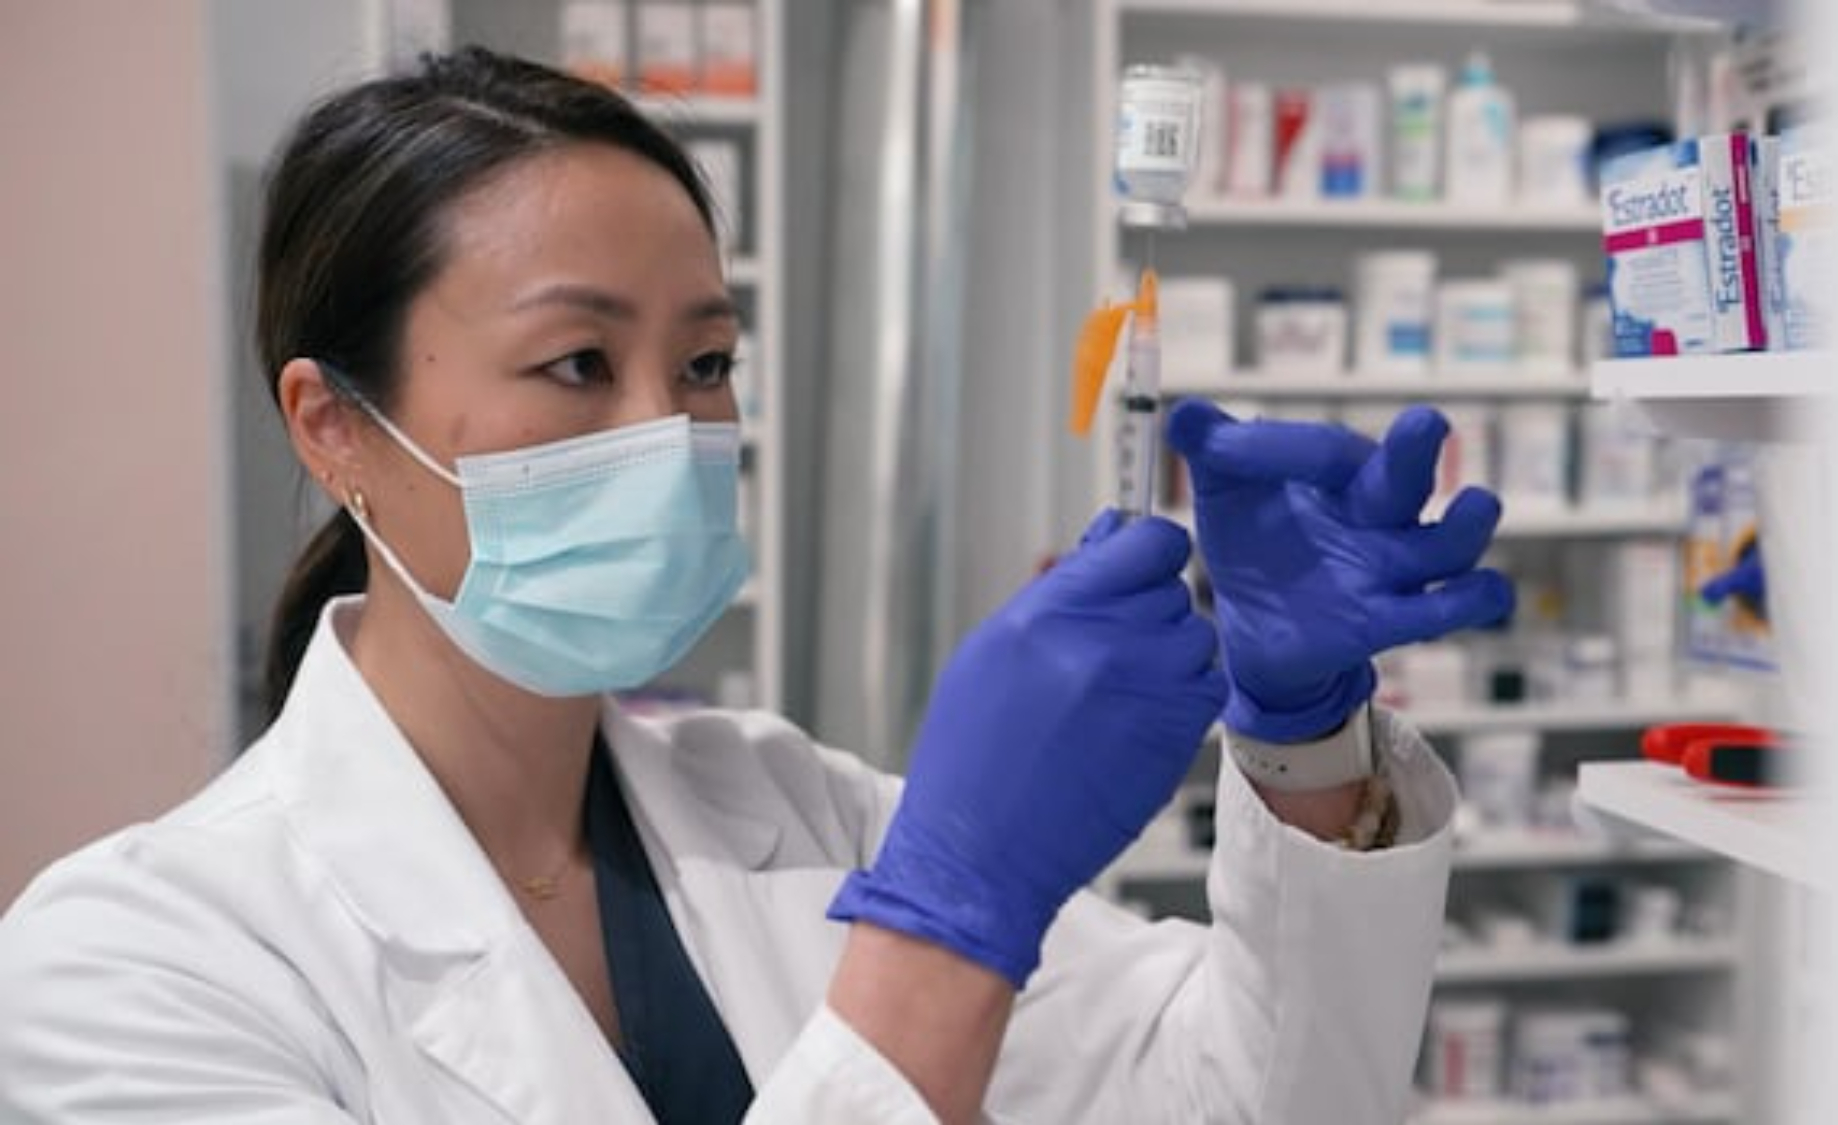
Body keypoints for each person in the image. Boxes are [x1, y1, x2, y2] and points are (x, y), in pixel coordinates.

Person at [0, 47, 1513, 1124]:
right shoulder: (136, 968)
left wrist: (1305, 742)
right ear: (334, 426)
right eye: (576, 362)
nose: (667, 432)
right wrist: (947, 929)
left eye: (705, 362)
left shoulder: (791, 809)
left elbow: (1252, 1101)